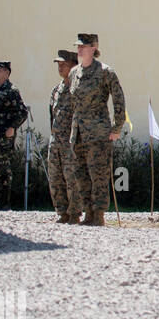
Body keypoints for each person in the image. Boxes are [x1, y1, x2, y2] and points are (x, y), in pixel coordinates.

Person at [67, 33, 125, 226]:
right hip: (79, 134)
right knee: (81, 175)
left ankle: (98, 215)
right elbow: (71, 104)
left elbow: (118, 99)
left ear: (93, 48)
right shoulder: (74, 73)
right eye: (78, 46)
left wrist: (117, 127)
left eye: (83, 46)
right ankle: (88, 212)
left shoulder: (105, 72)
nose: (79, 49)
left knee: (98, 175)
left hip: (98, 133)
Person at [0, 60, 29, 210]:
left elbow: (22, 112)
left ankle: (4, 203)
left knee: (3, 170)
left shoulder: (11, 91)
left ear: (7, 73)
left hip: (3, 138)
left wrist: (12, 127)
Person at [47, 50, 83, 223]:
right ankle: (62, 212)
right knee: (55, 177)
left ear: (74, 66)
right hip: (56, 141)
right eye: (58, 65)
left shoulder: (79, 89)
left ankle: (74, 213)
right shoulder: (57, 89)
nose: (60, 68)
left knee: (72, 178)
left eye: (64, 64)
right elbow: (51, 115)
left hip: (71, 142)